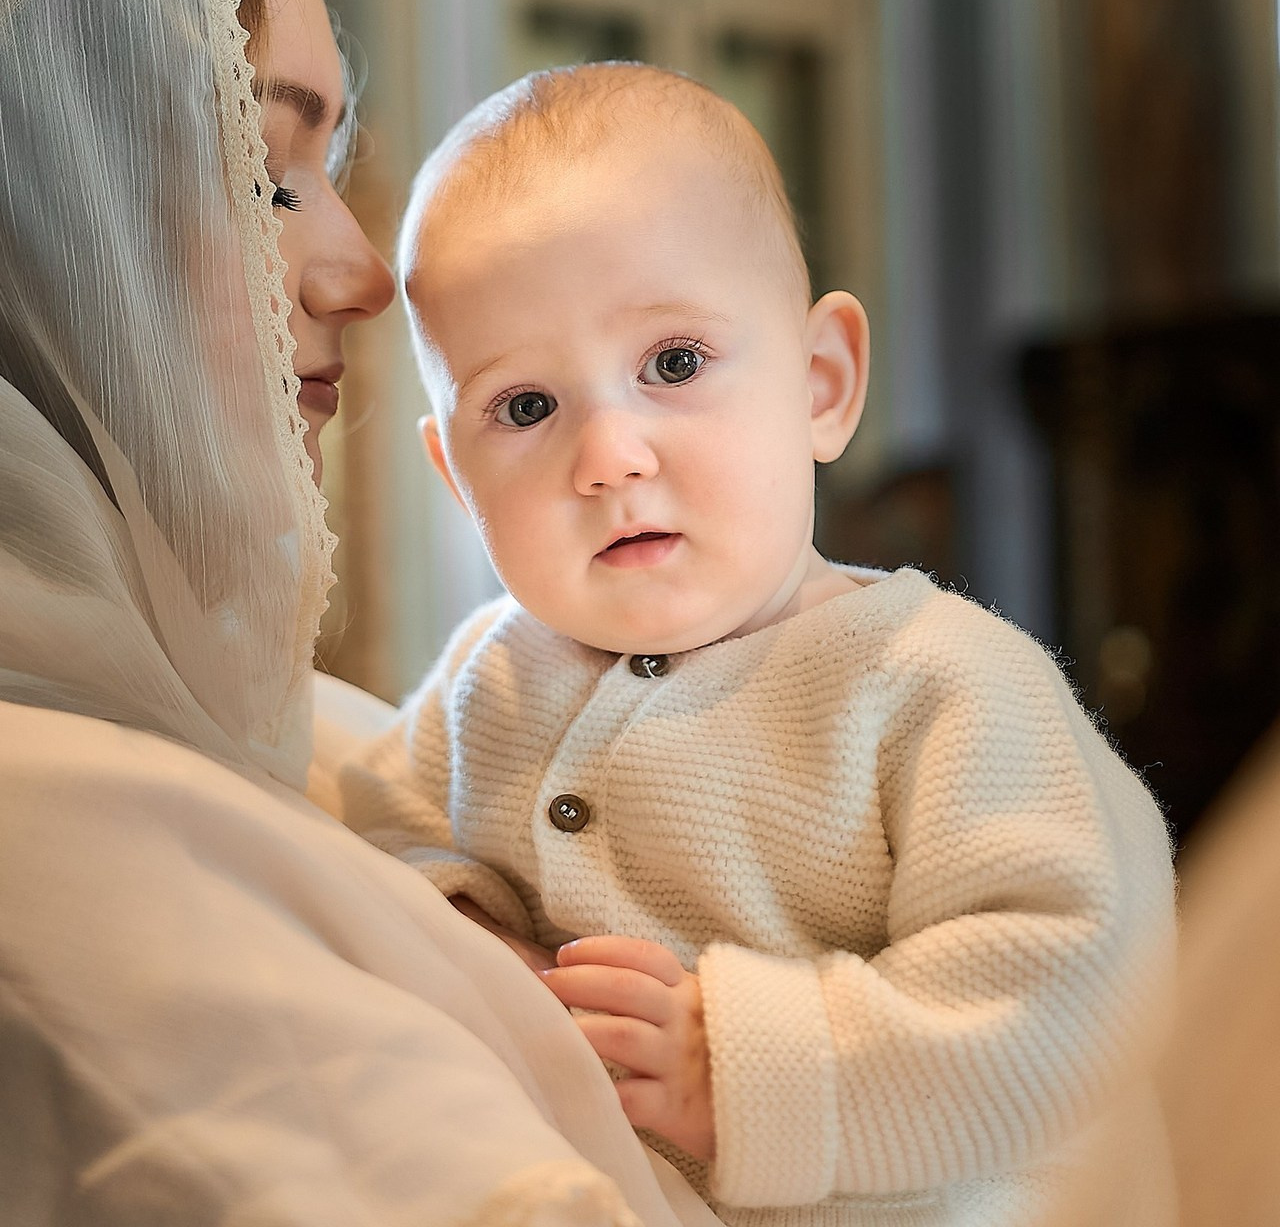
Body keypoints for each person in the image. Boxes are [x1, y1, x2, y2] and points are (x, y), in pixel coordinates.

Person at [341, 63, 1180, 1226]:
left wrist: (735, 1068)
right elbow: (384, 834)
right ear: (456, 478)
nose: (609, 455)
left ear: (819, 384)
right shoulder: (486, 680)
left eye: (672, 365)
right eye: (526, 408)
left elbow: (1075, 980)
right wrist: (468, 929)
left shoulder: (934, 679)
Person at [0, 0, 722, 1225]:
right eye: (266, 176)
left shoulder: (295, 729)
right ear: (41, 212)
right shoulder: (58, 853)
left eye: (676, 361)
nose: (363, 270)